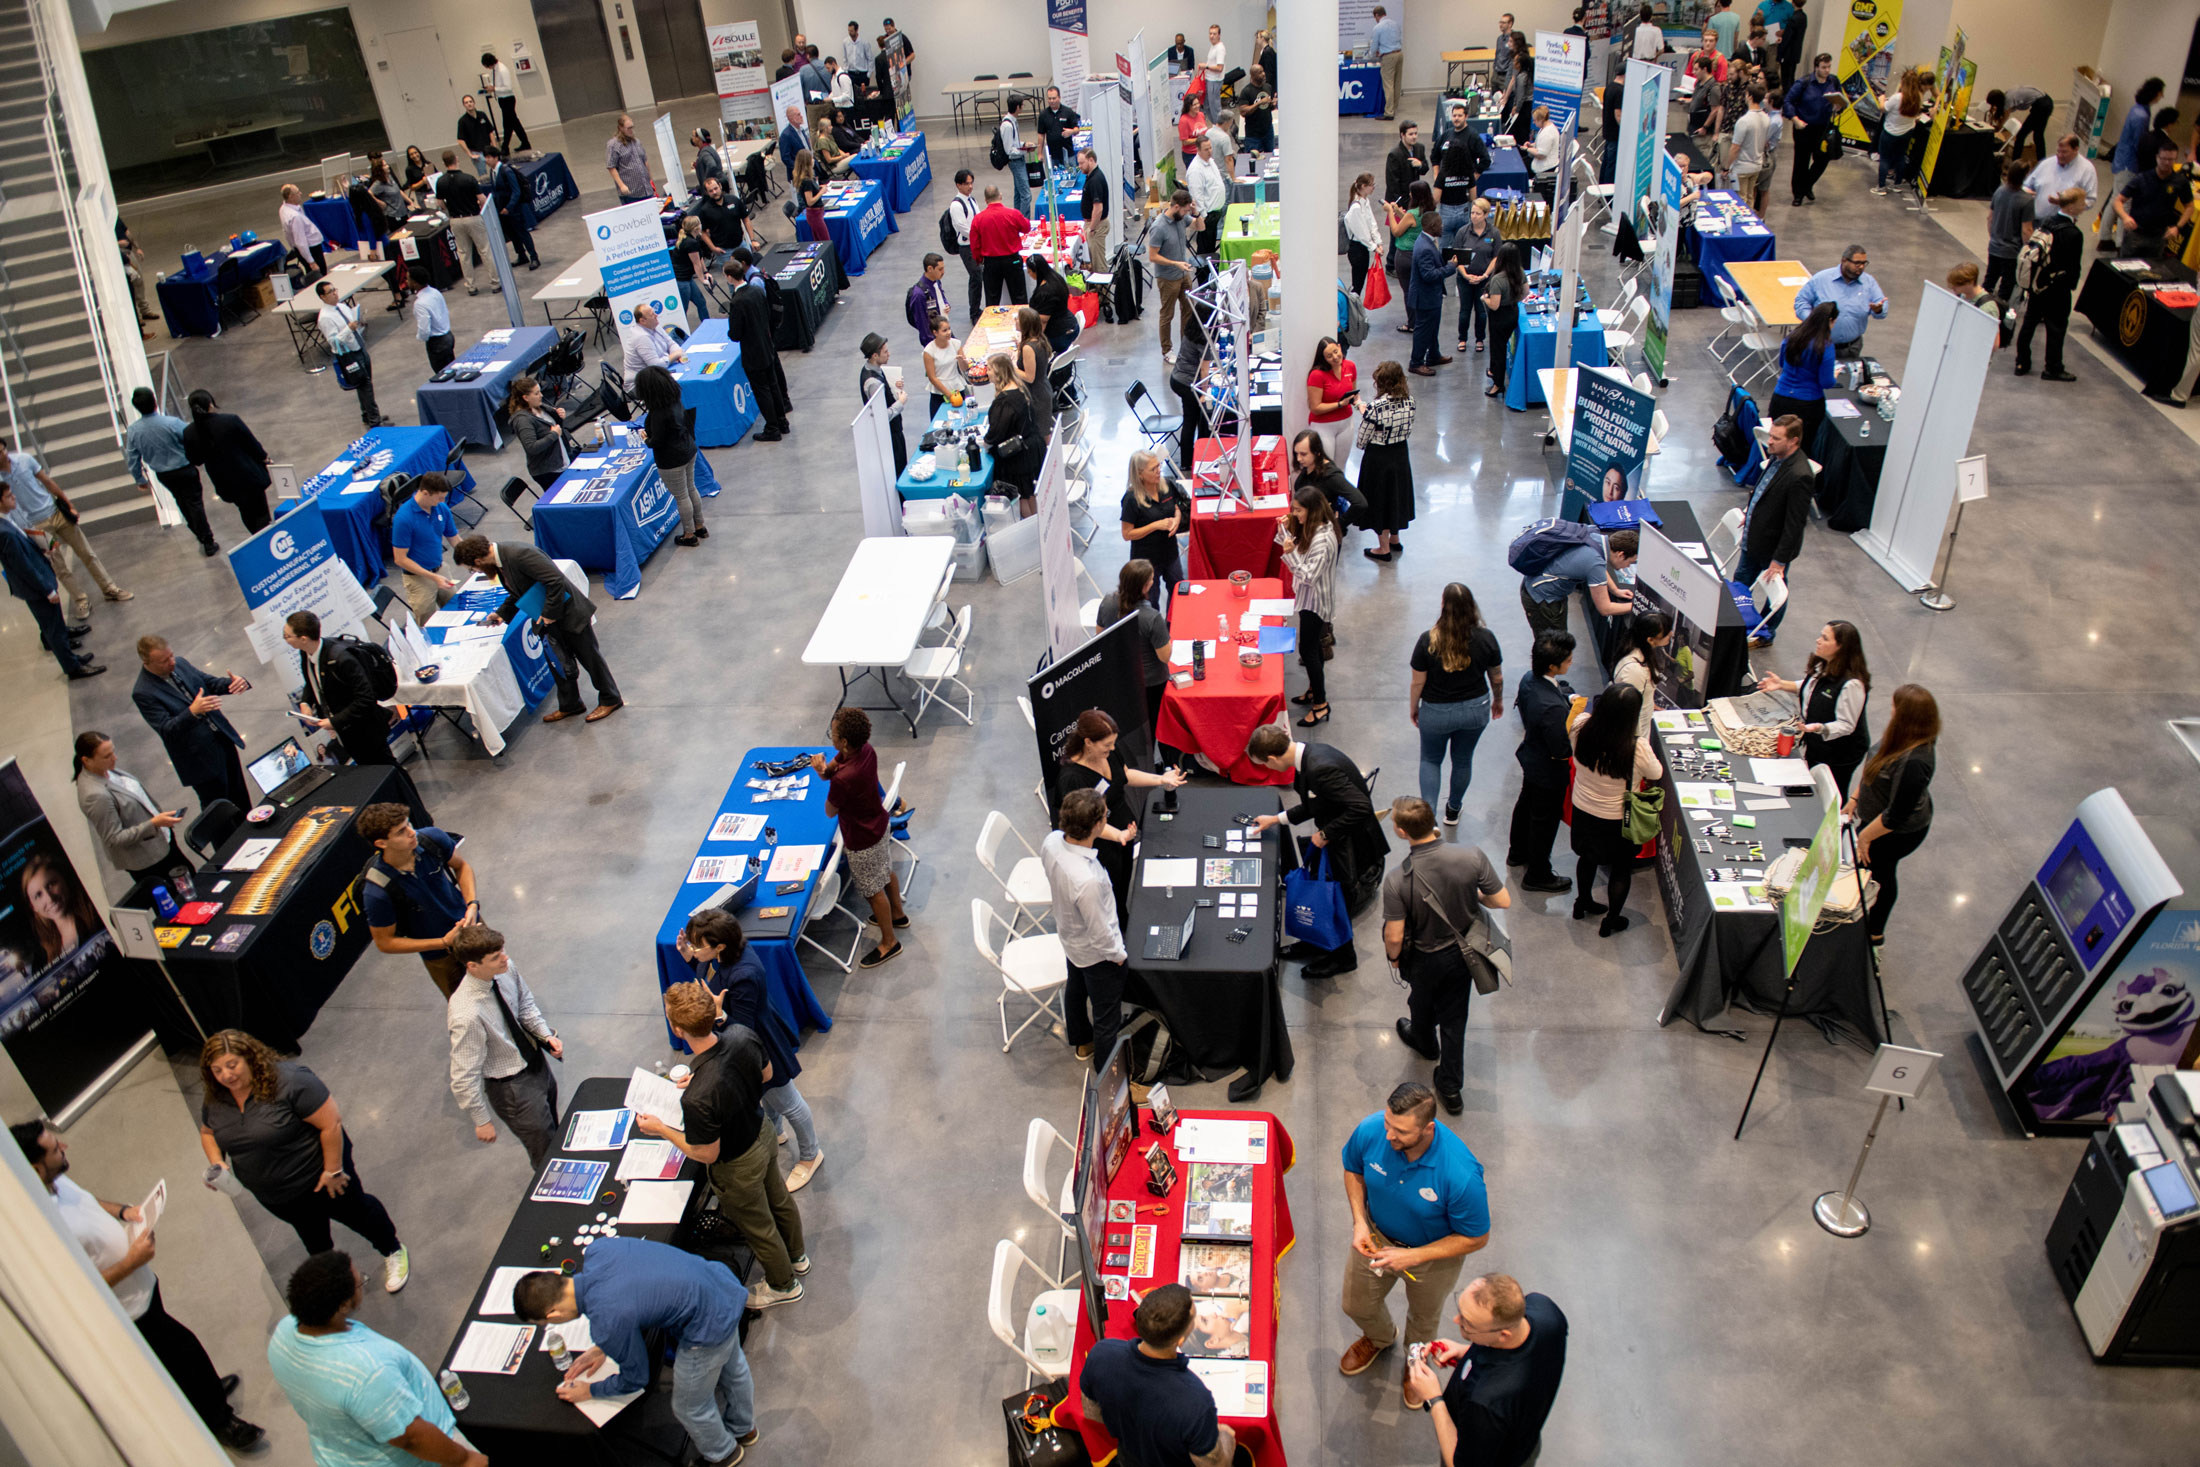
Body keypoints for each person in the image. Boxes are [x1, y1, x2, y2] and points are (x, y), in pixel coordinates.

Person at [15, 1120, 268, 1453]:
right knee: (182, 1350)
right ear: (34, 1168)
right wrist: (130, 1263)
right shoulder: (43, 1226)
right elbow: (78, 1287)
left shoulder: (54, 1180)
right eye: (54, 1149)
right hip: (126, 1310)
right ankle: (220, 1420)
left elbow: (89, 1200)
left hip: (142, 1289)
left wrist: (125, 1212)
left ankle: (203, 1393)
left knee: (179, 1356)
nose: (64, 1147)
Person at [515, 1237, 758, 1467]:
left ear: (553, 1315)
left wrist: (591, 1390)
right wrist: (603, 1348)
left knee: (690, 1407)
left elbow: (636, 1379)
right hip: (720, 1289)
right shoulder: (599, 1250)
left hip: (706, 1329)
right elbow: (635, 1291)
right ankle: (744, 1428)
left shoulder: (607, 1324)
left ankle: (724, 1454)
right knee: (734, 1370)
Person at [642, 981, 807, 1311]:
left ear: (677, 1028)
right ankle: (797, 1256)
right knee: (779, 1199)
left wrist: (661, 1129)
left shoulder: (698, 1098)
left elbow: (706, 1153)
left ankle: (783, 1284)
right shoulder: (742, 1035)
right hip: (761, 1134)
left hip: (737, 1164)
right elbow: (765, 1073)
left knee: (759, 1226)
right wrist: (709, 1078)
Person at [198, 1031, 408, 1288]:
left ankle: (393, 1250)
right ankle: (343, 1277)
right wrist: (217, 1161)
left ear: (250, 1057)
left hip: (322, 1180)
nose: (226, 1076)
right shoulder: (216, 1096)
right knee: (313, 1238)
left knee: (359, 1214)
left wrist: (332, 1171)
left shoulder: (291, 1081)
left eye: (232, 1065)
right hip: (277, 1196)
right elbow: (208, 1132)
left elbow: (331, 1124)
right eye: (217, 1070)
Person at [1338, 1082, 1492, 1381]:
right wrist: (1359, 1221)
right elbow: (1353, 1169)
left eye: (1401, 1132)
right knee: (1355, 1304)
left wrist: (1414, 1256)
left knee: (1423, 1320)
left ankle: (1415, 1363)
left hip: (1433, 1258)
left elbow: (1477, 1236)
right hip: (1375, 1239)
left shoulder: (1460, 1175)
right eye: (1388, 1124)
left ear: (1428, 1129)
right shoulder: (1371, 1130)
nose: (1389, 1136)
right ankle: (1380, 1337)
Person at [269, 1253, 480, 1467]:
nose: (362, 1284)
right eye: (359, 1281)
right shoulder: (365, 1373)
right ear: (342, 1306)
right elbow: (411, 1438)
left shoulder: (283, 1332)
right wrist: (465, 1459)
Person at [677, 908, 823, 1190]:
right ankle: (775, 1130)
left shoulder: (745, 974)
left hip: (757, 1044)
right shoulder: (722, 954)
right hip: (742, 1041)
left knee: (788, 1101)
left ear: (720, 945)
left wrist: (719, 1015)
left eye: (698, 945)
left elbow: (741, 1029)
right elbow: (706, 976)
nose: (694, 949)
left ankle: (810, 1154)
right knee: (765, 1096)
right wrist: (688, 955)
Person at [1382, 801, 1509, 1113]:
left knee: (1421, 1000)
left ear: (1401, 832)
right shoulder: (1471, 855)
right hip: (1463, 954)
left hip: (1423, 958)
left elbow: (1395, 935)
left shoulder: (1398, 879)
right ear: (1432, 822)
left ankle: (1424, 1043)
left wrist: (1394, 958)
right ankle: (1450, 1088)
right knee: (1454, 1018)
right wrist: (1472, 895)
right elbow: (1501, 899)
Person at [1249, 726, 1387, 977]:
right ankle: (1315, 942)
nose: (1268, 770)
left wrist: (1325, 834)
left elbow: (1360, 807)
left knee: (1335, 900)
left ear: (1272, 758)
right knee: (1325, 893)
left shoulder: (1319, 768)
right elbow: (1315, 804)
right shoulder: (1307, 757)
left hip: (1350, 846)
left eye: (1265, 765)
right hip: (1338, 840)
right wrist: (1275, 819)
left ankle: (1343, 958)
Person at [1402, 1275, 1569, 1466]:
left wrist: (1433, 1399)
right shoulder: (1545, 1311)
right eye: (1460, 1310)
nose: (1457, 1320)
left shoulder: (1485, 1403)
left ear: (1503, 1335)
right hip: (1523, 1431)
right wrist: (1465, 1352)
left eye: (1468, 1323)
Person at [454, 535, 623, 721]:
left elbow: (555, 581)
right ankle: (571, 704)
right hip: (546, 618)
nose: (475, 571)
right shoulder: (502, 562)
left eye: (472, 568)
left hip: (568, 614)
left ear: (478, 560)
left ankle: (610, 699)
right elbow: (521, 590)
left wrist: (549, 613)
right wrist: (502, 613)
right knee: (558, 661)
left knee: (590, 658)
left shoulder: (520, 554)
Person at [440, 925, 563, 1173]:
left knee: (555, 1134)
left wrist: (544, 1035)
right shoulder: (466, 1013)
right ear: (472, 966)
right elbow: (464, 1073)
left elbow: (525, 1005)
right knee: (546, 1154)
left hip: (536, 1063)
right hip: (512, 1088)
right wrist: (481, 1119)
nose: (504, 958)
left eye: (502, 951)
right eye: (495, 957)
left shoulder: (506, 969)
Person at [1080, 1283, 1236, 1466]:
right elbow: (1213, 1464)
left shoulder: (1101, 1355)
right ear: (1181, 1340)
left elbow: (1091, 1411)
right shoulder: (1196, 1402)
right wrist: (1225, 1437)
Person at [1057, 708, 1185, 921]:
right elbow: (1086, 823)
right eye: (1106, 745)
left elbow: (1125, 775)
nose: (1112, 748)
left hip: (1123, 831)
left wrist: (1161, 780)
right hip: (1100, 842)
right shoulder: (1072, 778)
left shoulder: (1109, 752)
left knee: (1124, 880)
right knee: (1109, 890)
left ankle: (1123, 917)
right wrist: (1117, 835)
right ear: (1088, 742)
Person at [808, 708, 910, 967]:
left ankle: (889, 942)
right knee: (885, 871)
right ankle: (898, 914)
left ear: (843, 741)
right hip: (879, 825)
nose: (830, 736)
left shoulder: (845, 778)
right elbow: (832, 771)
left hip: (862, 839)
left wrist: (830, 779)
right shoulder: (865, 751)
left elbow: (830, 810)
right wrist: (823, 770)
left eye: (833, 733)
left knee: (873, 891)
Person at [1045, 786, 1130, 1071]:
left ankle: (1081, 1039)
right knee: (1108, 1019)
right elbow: (1100, 930)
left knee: (1076, 988)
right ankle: (1109, 1075)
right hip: (1098, 955)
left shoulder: (1053, 841)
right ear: (1098, 825)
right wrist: (1117, 955)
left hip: (1070, 938)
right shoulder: (1087, 881)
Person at [2, 441, 127, 633]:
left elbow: (48, 482)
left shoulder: (24, 460)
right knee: (59, 568)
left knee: (87, 553)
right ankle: (81, 599)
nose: (2, 455)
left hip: (55, 513)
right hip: (35, 526)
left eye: (2, 450)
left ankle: (110, 588)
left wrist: (68, 504)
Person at [1848, 683, 1938, 944]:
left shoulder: (1915, 762)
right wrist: (1855, 798)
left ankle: (1875, 934)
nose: (1890, 710)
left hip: (1896, 832)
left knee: (1880, 874)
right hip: (1876, 819)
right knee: (1866, 867)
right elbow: (1874, 765)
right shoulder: (1900, 735)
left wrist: (1865, 837)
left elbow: (1895, 816)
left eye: (1895, 707)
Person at [1567, 683, 1660, 936]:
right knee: (1621, 869)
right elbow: (1656, 772)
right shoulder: (1636, 747)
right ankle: (1612, 920)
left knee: (1586, 858)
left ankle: (1582, 902)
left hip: (1584, 809)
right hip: (1618, 820)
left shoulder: (1581, 725)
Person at [1409, 581, 1503, 820]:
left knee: (1430, 760)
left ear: (1443, 606)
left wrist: (1414, 708)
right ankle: (1453, 809)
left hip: (1436, 711)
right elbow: (1497, 677)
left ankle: (1427, 817)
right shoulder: (1486, 637)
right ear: (1472, 606)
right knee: (1463, 760)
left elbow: (1418, 682)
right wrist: (1498, 701)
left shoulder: (1427, 641)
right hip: (1475, 709)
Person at [1758, 620, 1872, 795]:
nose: (1818, 641)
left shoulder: (1852, 684)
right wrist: (1782, 684)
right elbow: (1811, 688)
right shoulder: (1824, 664)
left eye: (1825, 638)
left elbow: (1847, 725)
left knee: (1832, 791)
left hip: (1840, 752)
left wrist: (1820, 728)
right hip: (1816, 742)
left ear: (1841, 647)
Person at [1505, 632, 1578, 895]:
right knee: (1544, 822)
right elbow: (1561, 748)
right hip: (1549, 770)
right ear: (1552, 666)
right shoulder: (1552, 709)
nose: (1571, 663)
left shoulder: (1529, 680)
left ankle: (1517, 853)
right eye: (1568, 660)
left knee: (1526, 807)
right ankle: (1538, 874)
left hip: (1531, 758)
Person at [72, 730, 188, 885]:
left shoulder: (106, 770)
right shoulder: (95, 796)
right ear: (87, 760)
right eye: (107, 756)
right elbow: (114, 838)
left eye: (113, 752)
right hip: (148, 859)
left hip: (162, 841)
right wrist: (153, 824)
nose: (115, 758)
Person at [282, 610, 395, 767]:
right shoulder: (306, 653)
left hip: (366, 730)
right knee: (370, 771)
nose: (285, 639)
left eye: (287, 636)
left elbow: (366, 698)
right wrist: (305, 702)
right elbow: (311, 679)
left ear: (303, 639)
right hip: (347, 732)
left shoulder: (341, 659)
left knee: (387, 768)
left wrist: (334, 721)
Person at [1736, 414, 1813, 644]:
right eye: (1770, 436)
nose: (1769, 442)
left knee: (1775, 595)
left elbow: (1794, 524)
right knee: (1739, 585)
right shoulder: (1777, 456)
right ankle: (1736, 624)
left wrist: (1779, 561)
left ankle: (1766, 632)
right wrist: (1750, 511)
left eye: (1776, 438)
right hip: (1753, 540)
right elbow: (1765, 489)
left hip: (1771, 549)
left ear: (1794, 441)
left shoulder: (1800, 475)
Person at [124, 387, 221, 553]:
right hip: (185, 469)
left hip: (164, 475)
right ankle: (207, 540)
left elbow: (132, 457)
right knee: (195, 503)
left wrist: (140, 479)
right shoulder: (172, 423)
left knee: (182, 501)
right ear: (155, 403)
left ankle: (198, 533)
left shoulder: (134, 431)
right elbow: (191, 436)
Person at [2014, 187, 2086, 383]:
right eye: (2081, 203)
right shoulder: (2073, 234)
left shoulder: (2046, 223)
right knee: (2056, 328)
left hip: (2037, 284)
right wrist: (2071, 284)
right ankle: (2053, 367)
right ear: (2071, 207)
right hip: (2058, 288)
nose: (2084, 206)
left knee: (2029, 322)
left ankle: (2022, 362)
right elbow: (2073, 265)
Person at [1098, 560, 1172, 744]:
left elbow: (1100, 636)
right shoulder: (1152, 618)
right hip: (1151, 684)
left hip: (1120, 678)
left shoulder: (1107, 603)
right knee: (1152, 724)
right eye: (1152, 579)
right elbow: (1165, 656)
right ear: (1146, 586)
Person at [632, 364, 706, 546]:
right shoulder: (675, 400)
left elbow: (656, 441)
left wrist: (645, 438)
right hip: (688, 449)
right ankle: (700, 525)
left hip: (672, 459)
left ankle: (689, 535)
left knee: (681, 496)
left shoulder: (658, 413)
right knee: (691, 488)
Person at [1519, 524, 1634, 640]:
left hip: (1534, 584)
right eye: (1630, 562)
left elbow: (1598, 564)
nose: (1628, 566)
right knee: (1554, 647)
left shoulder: (1594, 535)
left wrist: (1615, 590)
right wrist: (1634, 606)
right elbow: (1605, 609)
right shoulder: (1594, 562)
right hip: (1542, 599)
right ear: (1621, 554)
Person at [721, 253, 791, 441]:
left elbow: (735, 334)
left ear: (729, 277)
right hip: (767, 346)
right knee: (773, 385)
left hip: (753, 353)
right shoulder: (756, 290)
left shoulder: (737, 301)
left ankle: (772, 428)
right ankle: (782, 421)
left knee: (762, 391)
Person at [1356, 360, 1416, 560]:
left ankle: (1383, 549)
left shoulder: (1375, 407)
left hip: (1378, 458)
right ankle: (1395, 539)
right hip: (1400, 454)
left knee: (1380, 499)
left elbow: (1362, 440)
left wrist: (1363, 411)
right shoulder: (1410, 401)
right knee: (1396, 495)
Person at [312, 282, 388, 431]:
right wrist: (348, 329)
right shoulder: (325, 318)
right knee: (364, 385)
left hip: (359, 347)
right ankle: (375, 420)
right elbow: (333, 342)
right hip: (348, 355)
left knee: (365, 383)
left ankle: (367, 415)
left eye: (335, 289)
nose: (335, 293)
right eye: (330, 292)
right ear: (322, 296)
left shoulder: (342, 307)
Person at [2100, 77, 2166, 245]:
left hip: (2122, 161)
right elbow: (2139, 144)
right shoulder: (2141, 116)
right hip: (2129, 165)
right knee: (2124, 204)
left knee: (2115, 200)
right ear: (2156, 94)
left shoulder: (2138, 109)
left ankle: (2105, 236)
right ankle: (2120, 243)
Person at [1793, 244, 1886, 359]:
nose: (1861, 267)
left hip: (1852, 348)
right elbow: (1801, 301)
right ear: (1844, 260)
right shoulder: (1822, 279)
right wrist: (1812, 321)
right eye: (1857, 263)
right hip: (1820, 345)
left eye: (1864, 263)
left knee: (1846, 377)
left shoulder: (1869, 282)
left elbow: (1882, 305)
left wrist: (1879, 310)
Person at [389, 472, 459, 623]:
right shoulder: (404, 519)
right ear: (425, 493)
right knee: (427, 622)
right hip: (418, 579)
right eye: (440, 497)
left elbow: (454, 538)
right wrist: (433, 578)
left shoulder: (441, 508)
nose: (443, 501)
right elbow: (400, 559)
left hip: (440, 569)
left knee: (456, 610)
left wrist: (471, 558)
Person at [1120, 449, 1185, 606]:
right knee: (1150, 600)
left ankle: (1172, 625)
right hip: (1147, 559)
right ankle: (1154, 629)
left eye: (1158, 466)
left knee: (1178, 590)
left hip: (1170, 552)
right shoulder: (1131, 499)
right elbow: (1127, 534)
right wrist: (1155, 525)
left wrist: (1177, 519)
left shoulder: (1167, 485)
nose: (1158, 471)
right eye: (1153, 469)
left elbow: (1177, 507)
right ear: (1140, 474)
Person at [1768, 299, 1838, 445]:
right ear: (1830, 321)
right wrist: (1834, 377)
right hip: (1808, 405)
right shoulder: (1825, 346)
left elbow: (1782, 363)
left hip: (1780, 398)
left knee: (1778, 442)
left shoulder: (1792, 338)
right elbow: (1826, 382)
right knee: (1802, 445)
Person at [982, 352, 1043, 513]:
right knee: (1030, 492)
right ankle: (1037, 523)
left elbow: (996, 432)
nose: (986, 372)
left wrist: (985, 443)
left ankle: (1030, 527)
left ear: (999, 371)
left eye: (989, 369)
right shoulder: (1020, 388)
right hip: (1032, 447)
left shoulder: (1005, 401)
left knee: (1021, 495)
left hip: (1018, 456)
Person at [2113, 140, 2194, 260]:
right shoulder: (2142, 178)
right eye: (2163, 158)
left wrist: (2178, 227)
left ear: (2175, 160)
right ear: (2157, 157)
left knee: (2151, 272)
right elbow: (2118, 201)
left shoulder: (2180, 182)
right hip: (2136, 232)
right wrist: (2125, 217)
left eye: (2171, 159)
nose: (2166, 163)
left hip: (2159, 236)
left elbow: (2190, 207)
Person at [1781, 52, 1843, 207]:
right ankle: (1798, 194)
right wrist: (1795, 119)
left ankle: (1807, 185)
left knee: (1823, 159)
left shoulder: (1833, 81)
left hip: (1823, 127)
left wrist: (1838, 107)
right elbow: (1788, 100)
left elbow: (1840, 100)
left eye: (1829, 67)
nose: (1827, 70)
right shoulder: (1804, 82)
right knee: (1801, 161)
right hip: (1804, 127)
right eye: (1823, 67)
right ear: (1816, 67)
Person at [432, 150, 496, 293]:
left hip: (456, 220)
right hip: (473, 217)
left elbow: (440, 203)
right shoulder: (469, 179)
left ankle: (471, 286)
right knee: (485, 251)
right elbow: (482, 199)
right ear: (457, 159)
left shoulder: (441, 182)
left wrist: (449, 208)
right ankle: (495, 282)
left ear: (444, 163)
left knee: (464, 254)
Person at [1148, 189, 1198, 361]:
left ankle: (1186, 345)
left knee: (1188, 310)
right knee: (1167, 315)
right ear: (1176, 207)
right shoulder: (1159, 227)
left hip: (1183, 274)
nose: (1186, 214)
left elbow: (1201, 226)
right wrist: (1175, 263)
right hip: (1167, 278)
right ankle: (1167, 351)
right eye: (1185, 210)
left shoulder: (1181, 218)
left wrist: (1196, 212)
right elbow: (1152, 256)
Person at [1449, 197, 1500, 358]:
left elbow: (1496, 257)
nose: (1474, 216)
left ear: (1485, 214)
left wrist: (1485, 275)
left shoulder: (1493, 233)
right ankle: (1462, 338)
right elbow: (1456, 257)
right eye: (1472, 213)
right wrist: (1466, 275)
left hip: (1484, 281)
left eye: (1478, 213)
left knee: (1481, 311)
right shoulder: (1462, 232)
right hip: (1465, 279)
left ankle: (1480, 339)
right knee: (1465, 310)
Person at [1870, 67, 1932, 195]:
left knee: (1885, 159)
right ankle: (1897, 184)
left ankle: (1881, 187)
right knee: (1900, 157)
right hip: (1906, 132)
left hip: (1890, 132)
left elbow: (1883, 108)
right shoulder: (1918, 98)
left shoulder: (1897, 97)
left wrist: (1881, 98)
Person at [506, 374, 573, 491]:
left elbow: (552, 424)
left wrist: (558, 416)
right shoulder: (522, 420)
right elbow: (531, 447)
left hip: (561, 460)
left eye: (540, 392)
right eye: (536, 393)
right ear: (525, 397)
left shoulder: (537, 406)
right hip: (548, 471)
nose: (541, 395)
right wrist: (553, 435)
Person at [857, 332, 909, 477]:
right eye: (885, 352)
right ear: (874, 355)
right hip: (889, 435)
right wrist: (900, 403)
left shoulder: (873, 370)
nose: (889, 354)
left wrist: (893, 385)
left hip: (893, 432)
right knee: (898, 472)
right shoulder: (873, 383)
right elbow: (881, 416)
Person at [971, 184, 1031, 309]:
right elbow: (1026, 228)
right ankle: (1024, 325)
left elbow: (975, 245)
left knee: (992, 300)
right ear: (1000, 196)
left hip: (991, 264)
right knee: (1019, 297)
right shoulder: (1013, 214)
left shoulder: (978, 219)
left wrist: (979, 260)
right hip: (1012, 260)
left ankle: (992, 326)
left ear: (986, 200)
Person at [1984, 158, 2035, 301]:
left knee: (1989, 280)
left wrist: (1994, 237)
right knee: (2006, 288)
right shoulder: (2027, 201)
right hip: (2012, 252)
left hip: (1994, 246)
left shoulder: (1999, 191)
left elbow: (1990, 218)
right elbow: (2026, 230)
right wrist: (2029, 249)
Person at [1409, 207, 1453, 373]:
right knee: (1423, 330)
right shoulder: (1425, 248)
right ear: (1433, 226)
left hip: (1431, 297)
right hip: (1425, 298)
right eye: (1440, 224)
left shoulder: (1426, 241)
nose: (1443, 227)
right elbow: (1429, 275)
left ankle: (1433, 355)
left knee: (1432, 327)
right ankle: (1416, 362)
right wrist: (1451, 267)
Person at [1481, 241, 1526, 400]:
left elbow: (1494, 305)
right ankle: (1494, 371)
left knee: (1498, 350)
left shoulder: (1498, 279)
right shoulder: (1520, 272)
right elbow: (1525, 292)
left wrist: (1484, 299)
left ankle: (1497, 385)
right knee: (1500, 347)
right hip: (1513, 313)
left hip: (1499, 317)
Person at [1307, 334, 1359, 470]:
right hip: (1323, 427)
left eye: (1336, 352)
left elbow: (1354, 393)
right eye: (1329, 356)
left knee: (1341, 468)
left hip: (1346, 424)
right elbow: (1315, 407)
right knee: (1326, 470)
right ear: (1324, 358)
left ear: (1340, 347)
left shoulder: (1350, 366)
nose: (1335, 357)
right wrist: (1340, 404)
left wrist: (1358, 403)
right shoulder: (1317, 375)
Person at [1167, 312, 1209, 470]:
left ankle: (1187, 461)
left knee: (1190, 419)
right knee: (1193, 420)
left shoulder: (1191, 329)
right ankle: (1192, 460)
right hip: (1188, 384)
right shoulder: (1204, 338)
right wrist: (1204, 395)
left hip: (1177, 378)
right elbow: (1205, 371)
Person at [2025, 133, 2098, 222]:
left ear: (2076, 149)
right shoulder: (2047, 163)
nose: (2059, 155)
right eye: (2058, 151)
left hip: (2060, 226)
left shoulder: (2087, 170)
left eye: (2064, 152)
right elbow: (2027, 185)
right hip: (2034, 219)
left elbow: (2090, 200)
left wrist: (2065, 203)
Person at [485, 146, 537, 269]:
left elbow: (516, 191)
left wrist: (509, 207)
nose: (486, 160)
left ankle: (534, 257)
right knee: (512, 235)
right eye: (485, 157)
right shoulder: (492, 172)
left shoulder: (506, 171)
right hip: (502, 211)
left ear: (496, 157)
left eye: (488, 157)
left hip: (513, 210)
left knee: (522, 233)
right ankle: (521, 255)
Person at [944, 169, 984, 323]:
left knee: (978, 276)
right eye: (967, 183)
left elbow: (978, 219)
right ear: (958, 185)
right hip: (967, 247)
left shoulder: (971, 200)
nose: (970, 186)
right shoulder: (956, 206)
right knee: (975, 276)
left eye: (971, 183)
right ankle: (974, 312)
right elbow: (963, 228)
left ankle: (977, 309)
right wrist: (979, 236)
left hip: (977, 244)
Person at [1013, 305, 1056, 446]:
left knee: (1043, 434)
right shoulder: (1039, 340)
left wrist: (1011, 368)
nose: (1015, 320)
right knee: (1044, 431)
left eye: (1018, 319)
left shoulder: (1028, 348)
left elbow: (1029, 377)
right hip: (1043, 388)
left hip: (1036, 395)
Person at [1725, 85, 1773, 209]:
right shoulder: (1766, 118)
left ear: (1749, 97)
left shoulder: (1744, 121)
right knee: (1750, 197)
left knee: (1740, 201)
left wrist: (1727, 167)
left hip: (1742, 166)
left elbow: (1735, 147)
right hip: (1757, 164)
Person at [1985, 84, 2054, 166]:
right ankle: (2041, 163)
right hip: (2045, 102)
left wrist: (1995, 132)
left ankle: (2016, 162)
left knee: (2022, 135)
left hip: (2042, 104)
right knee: (2037, 136)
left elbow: (2003, 122)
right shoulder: (2007, 95)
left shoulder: (2008, 101)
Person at [1341, 172, 1382, 300]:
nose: (1373, 187)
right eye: (1371, 185)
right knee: (1357, 284)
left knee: (1359, 282)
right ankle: (1354, 309)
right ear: (1363, 186)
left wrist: (1378, 241)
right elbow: (1361, 232)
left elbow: (1371, 222)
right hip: (1357, 249)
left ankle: (1355, 308)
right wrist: (1374, 247)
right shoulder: (1356, 208)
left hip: (1363, 248)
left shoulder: (1365, 201)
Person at [921, 313, 968, 419]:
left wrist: (962, 361)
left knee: (962, 419)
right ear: (935, 333)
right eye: (944, 330)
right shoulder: (929, 351)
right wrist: (949, 395)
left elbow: (965, 368)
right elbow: (932, 377)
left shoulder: (956, 344)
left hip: (956, 387)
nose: (948, 333)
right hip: (939, 392)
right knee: (939, 423)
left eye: (949, 329)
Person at [1186, 134, 1227, 256]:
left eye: (1210, 148)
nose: (1210, 151)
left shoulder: (1210, 161)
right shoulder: (1196, 170)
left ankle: (1209, 271)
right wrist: (1202, 216)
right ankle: (1203, 273)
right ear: (1198, 150)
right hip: (1206, 216)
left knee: (1210, 246)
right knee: (1205, 249)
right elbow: (1196, 195)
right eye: (1206, 149)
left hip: (1215, 212)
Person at [277, 183, 327, 282]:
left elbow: (287, 234)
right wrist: (311, 262)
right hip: (311, 250)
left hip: (302, 250)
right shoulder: (295, 217)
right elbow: (300, 241)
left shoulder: (283, 208)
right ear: (290, 197)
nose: (301, 193)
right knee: (319, 276)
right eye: (297, 192)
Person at [622, 300, 686, 377]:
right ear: (643, 321)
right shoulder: (641, 337)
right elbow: (656, 366)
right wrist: (676, 354)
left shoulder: (654, 325)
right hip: (642, 382)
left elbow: (671, 343)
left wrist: (677, 354)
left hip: (657, 373)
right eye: (652, 315)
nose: (656, 315)